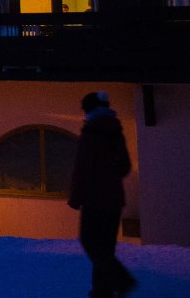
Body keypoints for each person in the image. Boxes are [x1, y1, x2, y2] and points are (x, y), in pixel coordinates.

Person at [69, 91, 136, 298]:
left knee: (90, 242)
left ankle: (121, 281)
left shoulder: (90, 135)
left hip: (94, 201)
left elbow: (82, 170)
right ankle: (102, 291)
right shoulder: (117, 132)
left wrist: (75, 197)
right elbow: (125, 167)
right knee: (105, 248)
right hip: (114, 200)